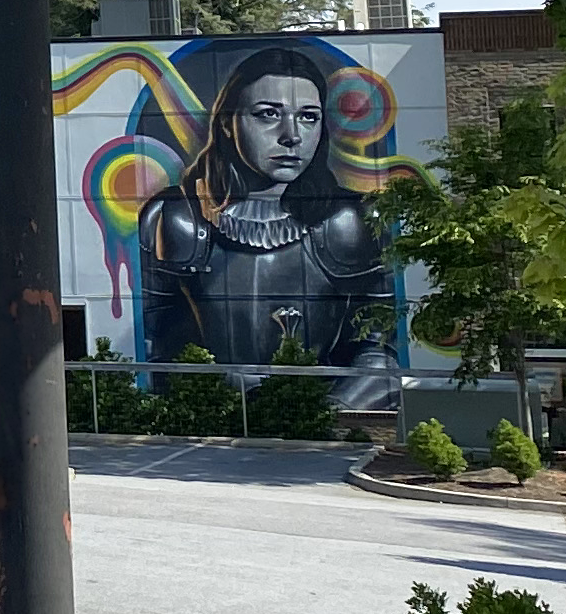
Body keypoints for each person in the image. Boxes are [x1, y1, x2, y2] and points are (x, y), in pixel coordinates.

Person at [133, 40, 392, 381]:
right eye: (268, 114)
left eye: (308, 117)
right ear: (227, 122)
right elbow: (148, 344)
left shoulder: (350, 220)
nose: (292, 136)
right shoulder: (175, 218)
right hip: (204, 421)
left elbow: (379, 353)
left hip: (319, 416)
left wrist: (324, 412)